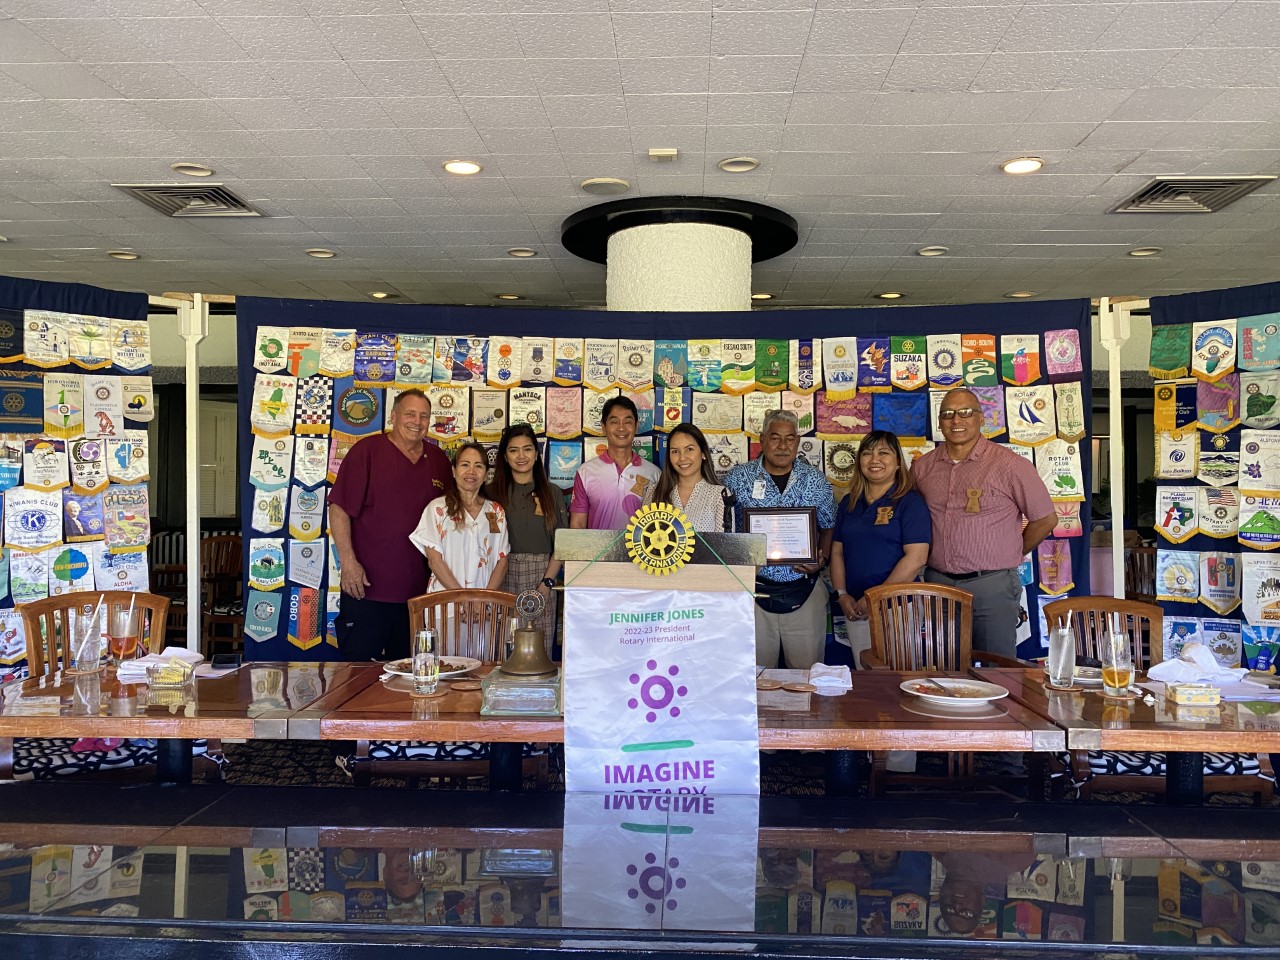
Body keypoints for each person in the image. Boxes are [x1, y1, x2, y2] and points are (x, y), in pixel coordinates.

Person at [911, 387, 1056, 658]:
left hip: (992, 586)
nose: (957, 420)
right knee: (945, 669)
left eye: (966, 412)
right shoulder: (923, 468)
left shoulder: (1011, 465)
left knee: (997, 672)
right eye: (948, 414)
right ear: (939, 422)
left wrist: (1012, 551)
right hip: (938, 584)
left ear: (981, 419)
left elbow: (1045, 519)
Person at [330, 389, 453, 662]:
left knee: (413, 676)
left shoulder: (439, 460)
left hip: (419, 597)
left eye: (424, 416)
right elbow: (338, 509)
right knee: (356, 676)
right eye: (410, 414)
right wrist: (348, 563)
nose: (417, 421)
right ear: (394, 416)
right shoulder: (367, 451)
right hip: (368, 589)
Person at [723, 409, 837, 669]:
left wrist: (822, 558)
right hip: (753, 593)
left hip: (804, 590)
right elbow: (725, 531)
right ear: (762, 439)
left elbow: (829, 526)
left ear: (797, 442)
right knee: (756, 680)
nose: (783, 446)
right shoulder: (738, 478)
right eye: (775, 438)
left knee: (807, 678)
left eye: (789, 439)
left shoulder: (815, 480)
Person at [829, 431, 931, 667]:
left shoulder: (910, 502)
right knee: (865, 678)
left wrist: (874, 597)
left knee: (899, 679)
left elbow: (916, 558)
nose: (874, 460)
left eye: (883, 453)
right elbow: (837, 552)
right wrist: (842, 595)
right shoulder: (849, 502)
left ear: (897, 462)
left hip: (898, 607)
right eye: (867, 453)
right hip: (856, 608)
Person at [409, 442, 510, 658]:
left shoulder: (496, 511)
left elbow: (502, 559)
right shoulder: (437, 509)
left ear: (486, 474)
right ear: (454, 471)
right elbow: (434, 560)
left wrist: (483, 601)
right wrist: (465, 599)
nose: (471, 472)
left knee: (483, 669)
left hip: (485, 609)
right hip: (446, 607)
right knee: (447, 670)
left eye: (478, 466)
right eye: (465, 465)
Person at [485, 423, 566, 651]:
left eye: (527, 449)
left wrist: (546, 584)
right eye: (513, 450)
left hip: (541, 575)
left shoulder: (552, 493)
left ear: (536, 453)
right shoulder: (490, 494)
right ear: (504, 456)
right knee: (501, 648)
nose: (521, 456)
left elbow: (561, 545)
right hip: (501, 574)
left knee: (538, 651)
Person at [569, 395, 660, 530]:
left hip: (638, 551)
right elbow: (578, 525)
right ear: (604, 427)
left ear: (636, 426)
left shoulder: (654, 474)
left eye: (627, 422)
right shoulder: (585, 472)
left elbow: (658, 525)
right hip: (599, 551)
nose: (621, 428)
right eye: (614, 421)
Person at [644, 422, 734, 532]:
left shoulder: (720, 495)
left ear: (703, 453)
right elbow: (643, 540)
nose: (682, 458)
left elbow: (725, 544)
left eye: (689, 449)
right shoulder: (653, 492)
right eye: (675, 451)